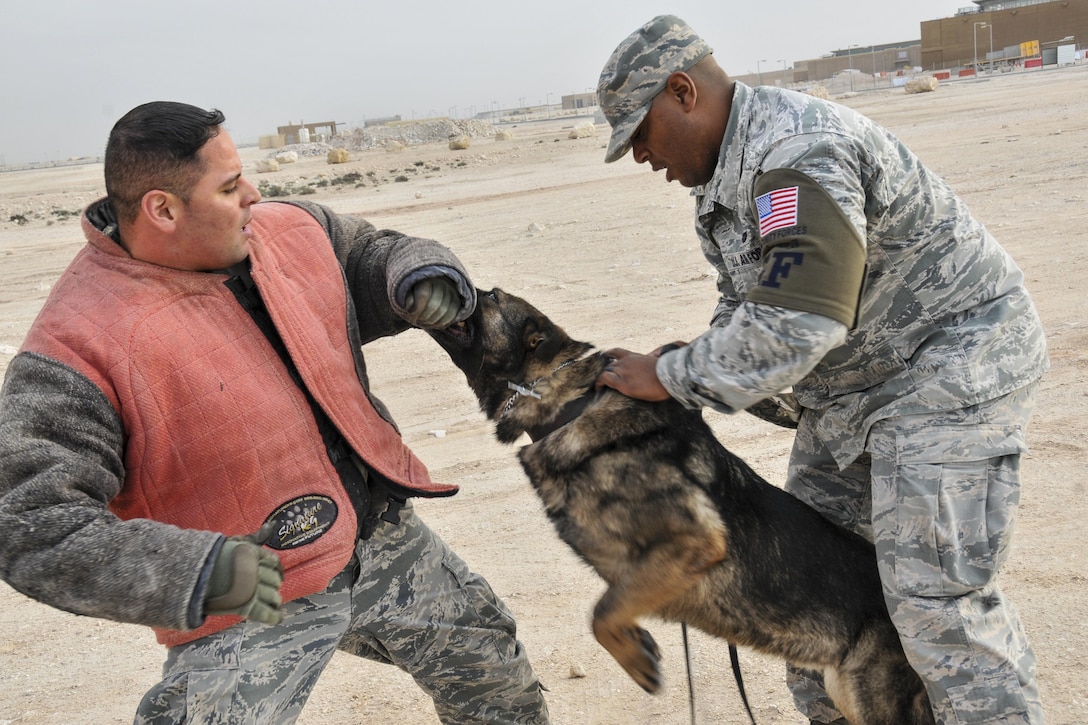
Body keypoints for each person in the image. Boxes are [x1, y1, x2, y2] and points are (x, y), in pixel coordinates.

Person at [0, 101, 549, 724]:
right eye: (231, 187)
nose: (254, 195)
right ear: (163, 209)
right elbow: (31, 522)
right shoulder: (78, 345)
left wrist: (416, 275)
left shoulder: (286, 231)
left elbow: (368, 252)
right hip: (251, 592)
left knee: (495, 680)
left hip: (381, 537)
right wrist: (200, 573)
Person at [593, 15, 1048, 725]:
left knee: (937, 609)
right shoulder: (723, 187)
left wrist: (675, 374)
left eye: (641, 134)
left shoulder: (798, 152)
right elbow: (745, 307)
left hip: (945, 368)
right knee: (804, 594)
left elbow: (800, 323)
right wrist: (680, 382)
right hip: (848, 392)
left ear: (682, 91)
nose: (643, 158)